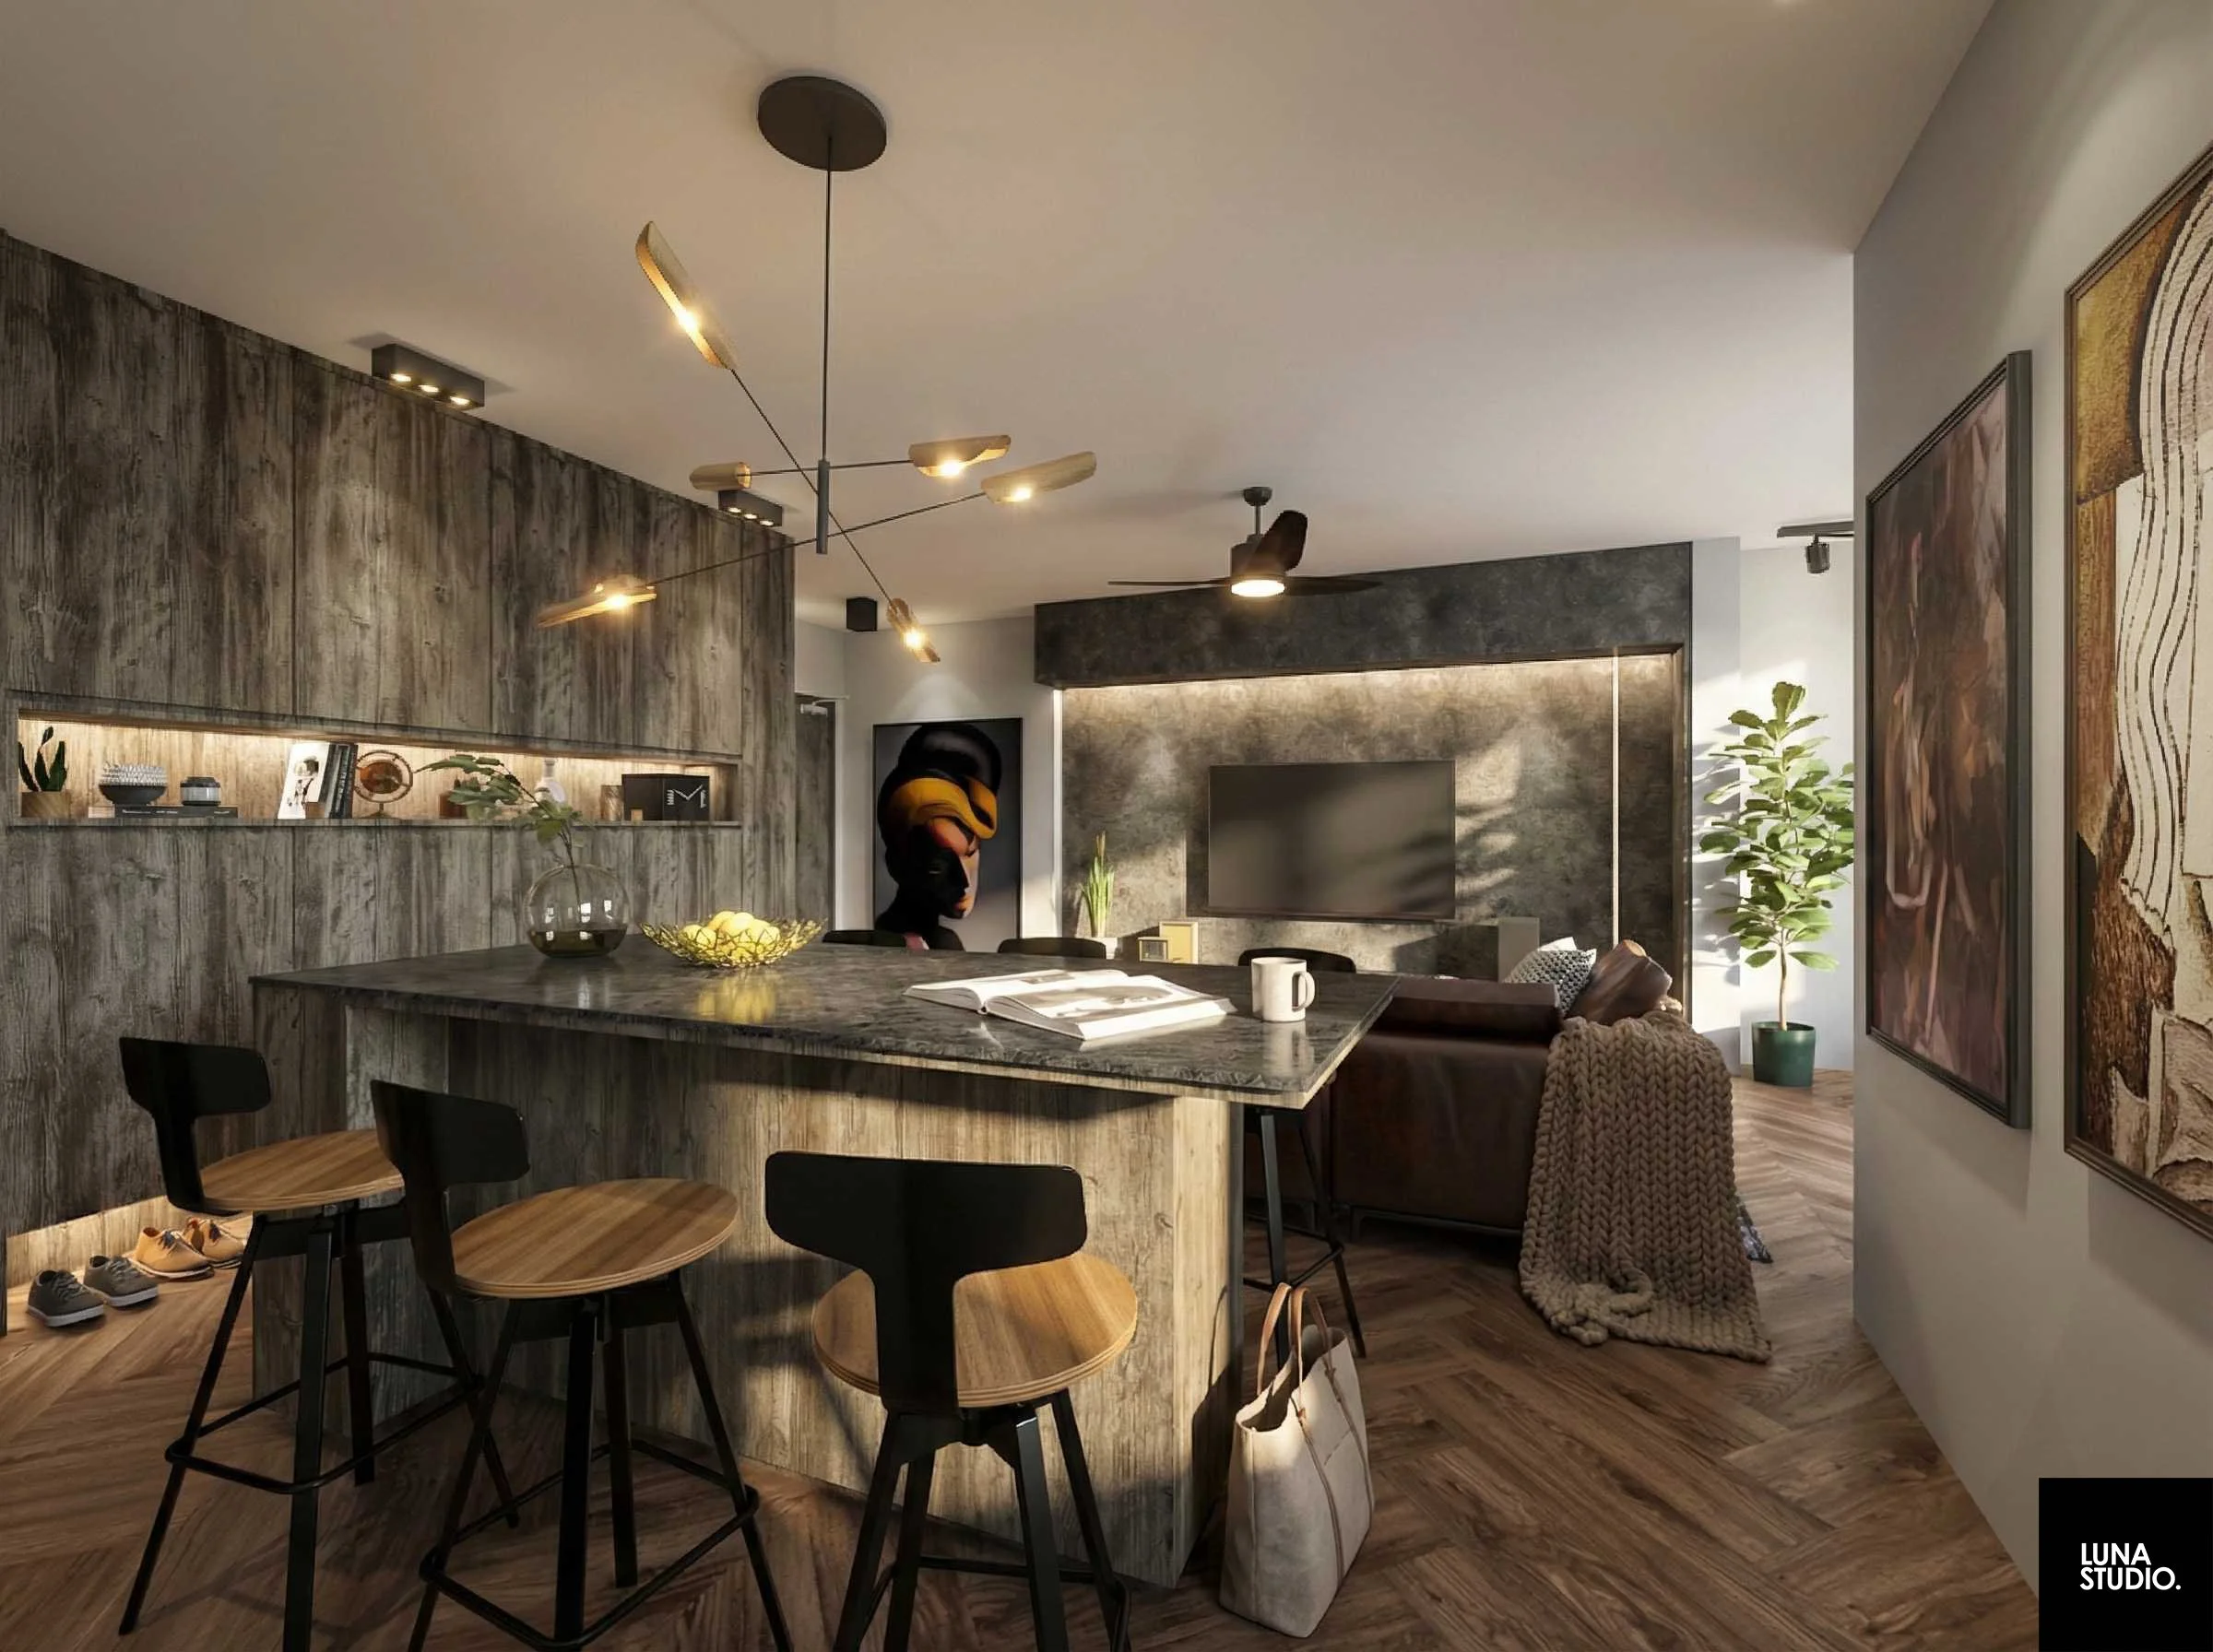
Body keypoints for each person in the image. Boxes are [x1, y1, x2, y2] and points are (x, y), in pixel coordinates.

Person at [874, 723, 1001, 949]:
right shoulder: (911, 947)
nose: (964, 882)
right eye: (938, 865)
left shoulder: (943, 943)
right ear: (896, 865)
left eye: (970, 853)